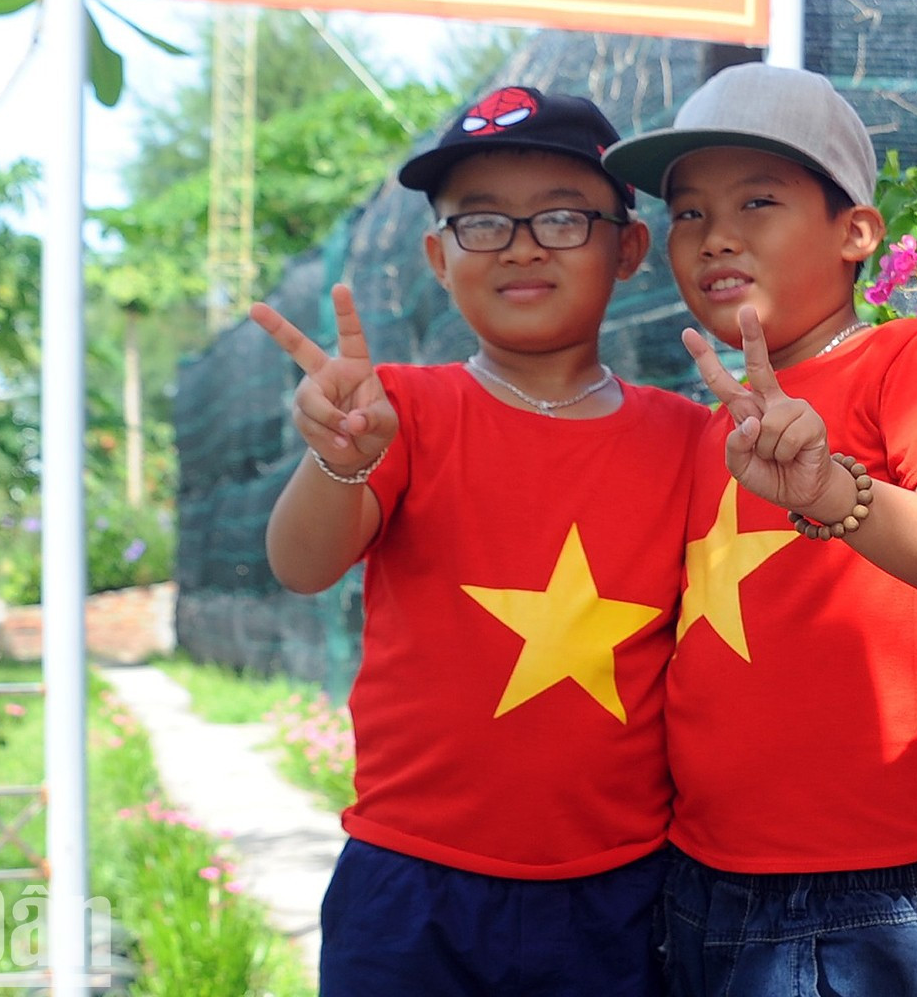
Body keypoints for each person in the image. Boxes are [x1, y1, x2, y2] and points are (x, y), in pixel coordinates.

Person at [251, 85, 709, 997]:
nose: (522, 246)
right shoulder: (397, 410)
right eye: (483, 222)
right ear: (438, 255)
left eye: (562, 218)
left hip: (623, 891)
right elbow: (301, 565)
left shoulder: (691, 438)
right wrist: (339, 459)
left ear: (627, 248)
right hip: (408, 886)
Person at [603, 63, 917, 997]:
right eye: (688, 213)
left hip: (861, 897)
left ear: (856, 232)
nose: (716, 235)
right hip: (694, 878)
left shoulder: (907, 359)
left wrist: (836, 493)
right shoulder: (708, 424)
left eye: (757, 201)